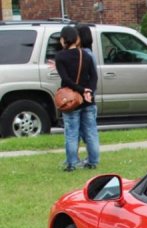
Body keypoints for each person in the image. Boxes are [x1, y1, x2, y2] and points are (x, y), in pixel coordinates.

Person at [55, 25, 99, 171]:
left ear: (63, 39)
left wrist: (80, 90)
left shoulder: (60, 57)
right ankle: (93, 161)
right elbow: (94, 77)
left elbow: (66, 79)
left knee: (71, 133)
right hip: (87, 101)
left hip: (71, 101)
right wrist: (89, 91)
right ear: (76, 39)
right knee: (91, 132)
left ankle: (72, 163)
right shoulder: (86, 55)